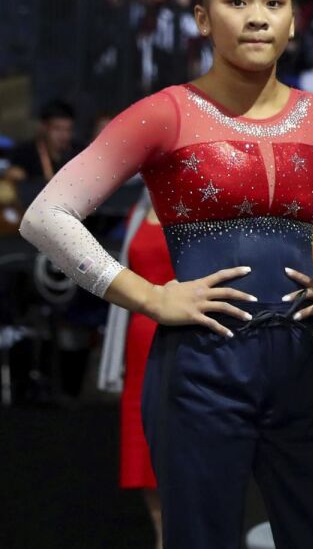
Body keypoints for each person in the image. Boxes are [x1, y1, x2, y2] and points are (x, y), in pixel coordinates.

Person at [19, 0, 313, 549]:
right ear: (203, 19)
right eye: (237, 2)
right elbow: (46, 216)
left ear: (293, 22)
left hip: (307, 367)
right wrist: (149, 296)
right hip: (199, 369)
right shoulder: (163, 114)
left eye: (274, 3)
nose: (257, 17)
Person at [100, 192, 173, 549]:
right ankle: (161, 536)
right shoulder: (137, 211)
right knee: (142, 441)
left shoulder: (195, 205)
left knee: (179, 437)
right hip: (139, 338)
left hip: (181, 336)